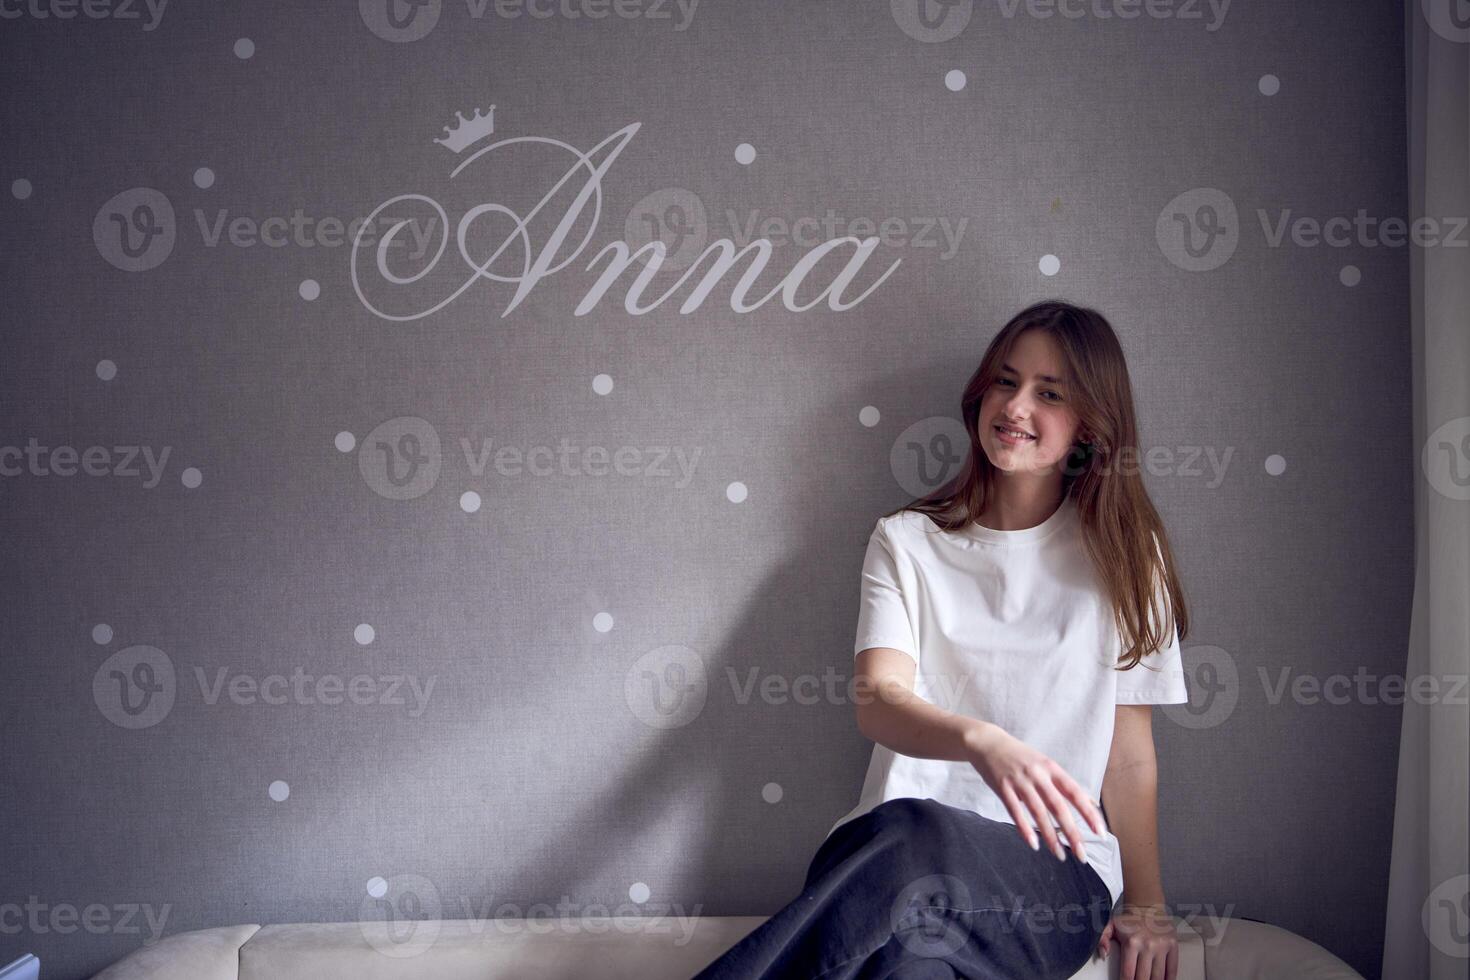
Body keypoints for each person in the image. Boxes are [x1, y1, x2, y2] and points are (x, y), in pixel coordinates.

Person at [693, 300, 1192, 980]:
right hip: (888, 857)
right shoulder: (907, 541)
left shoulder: (1130, 556)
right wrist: (980, 741)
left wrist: (1150, 905)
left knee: (918, 842)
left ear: (1090, 426)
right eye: (1005, 381)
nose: (1015, 406)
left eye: (1049, 393)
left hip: (1053, 878)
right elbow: (879, 699)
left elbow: (1129, 757)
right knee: (908, 946)